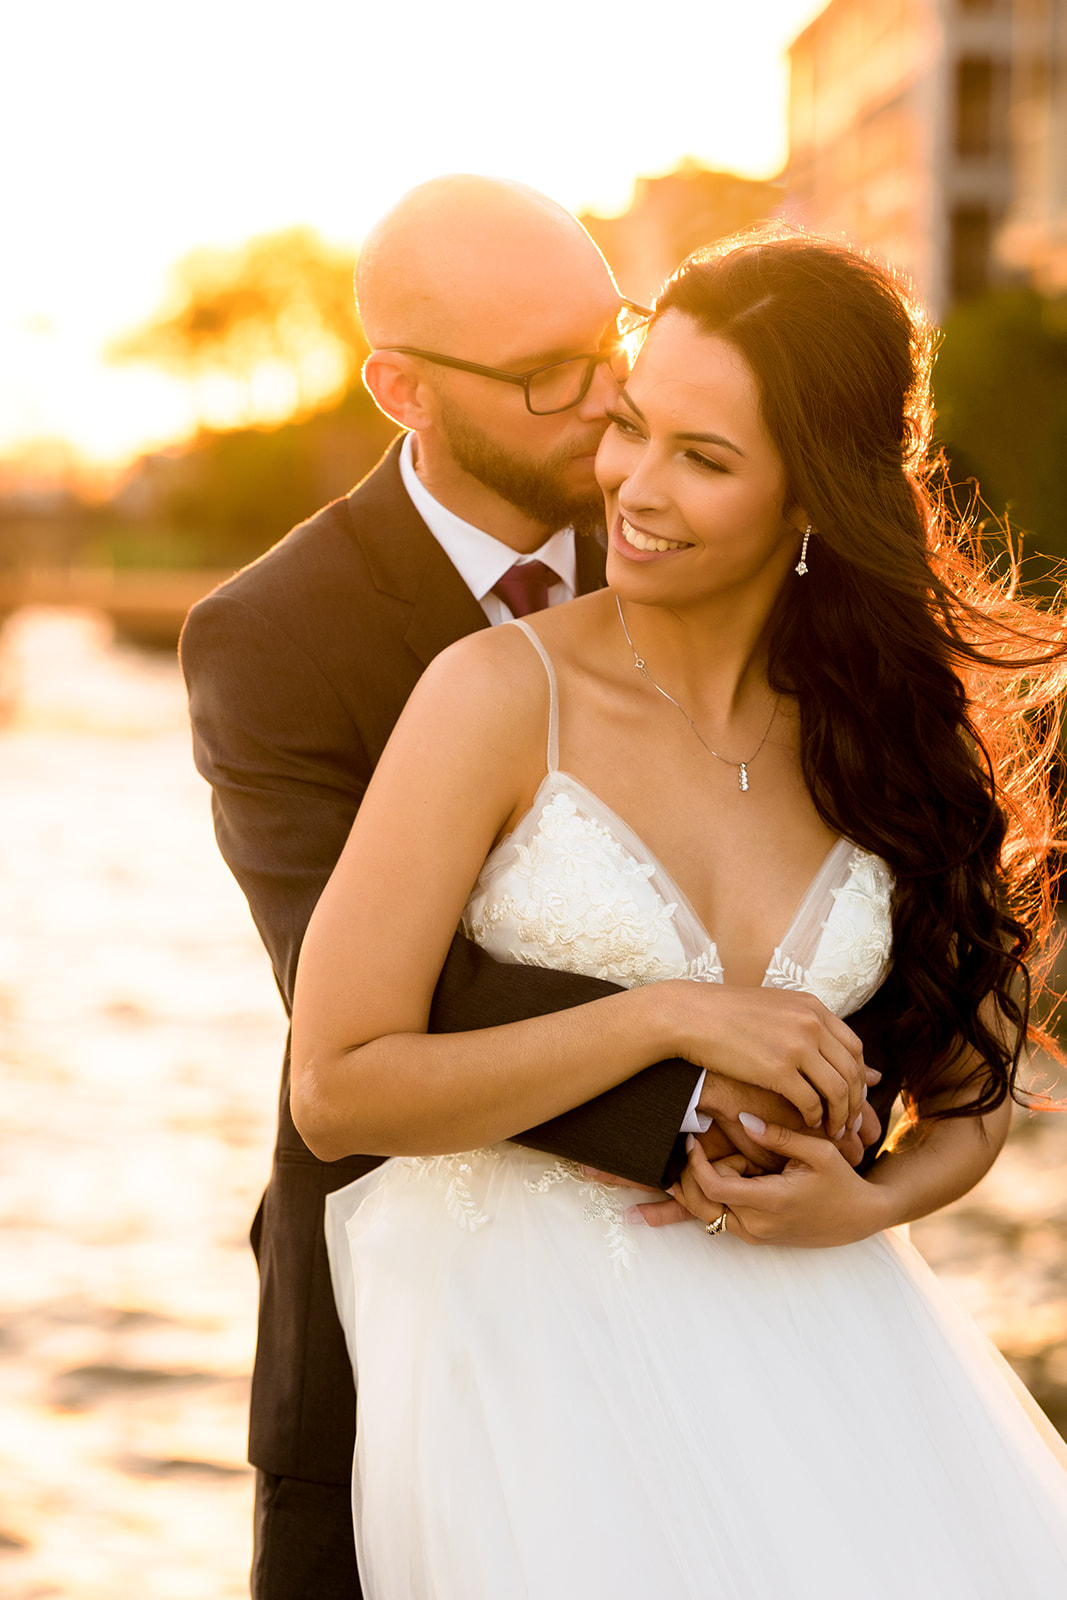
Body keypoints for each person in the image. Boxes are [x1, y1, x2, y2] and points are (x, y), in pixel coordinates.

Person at [292, 228, 1067, 1597]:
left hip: (833, 1373)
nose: (633, 490)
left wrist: (866, 1205)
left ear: (812, 495)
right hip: (533, 1388)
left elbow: (973, 1103)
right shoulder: (494, 698)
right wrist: (668, 1017)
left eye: (703, 460)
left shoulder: (891, 739)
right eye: (635, 428)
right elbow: (339, 1086)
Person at [180, 178, 893, 1599]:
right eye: (548, 378)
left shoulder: (723, 542)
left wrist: (856, 1121)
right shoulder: (273, 638)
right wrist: (702, 1061)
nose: (607, 407)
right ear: (403, 390)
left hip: (757, 1309)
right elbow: (384, 992)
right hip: (406, 1313)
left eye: (610, 341)